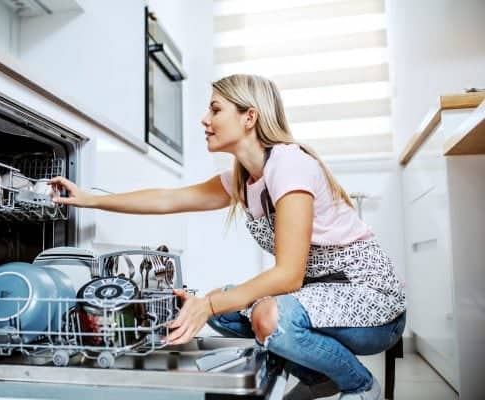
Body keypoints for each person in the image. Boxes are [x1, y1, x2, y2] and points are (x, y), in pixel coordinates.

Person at [49, 74, 406, 400]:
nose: (205, 119)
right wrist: (90, 198)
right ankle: (321, 375)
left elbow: (288, 275)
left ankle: (360, 385)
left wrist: (210, 305)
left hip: (373, 304)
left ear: (249, 117)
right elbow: (168, 198)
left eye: (215, 109)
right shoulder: (242, 178)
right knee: (221, 307)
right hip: (322, 297)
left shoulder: (289, 164)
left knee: (263, 316)